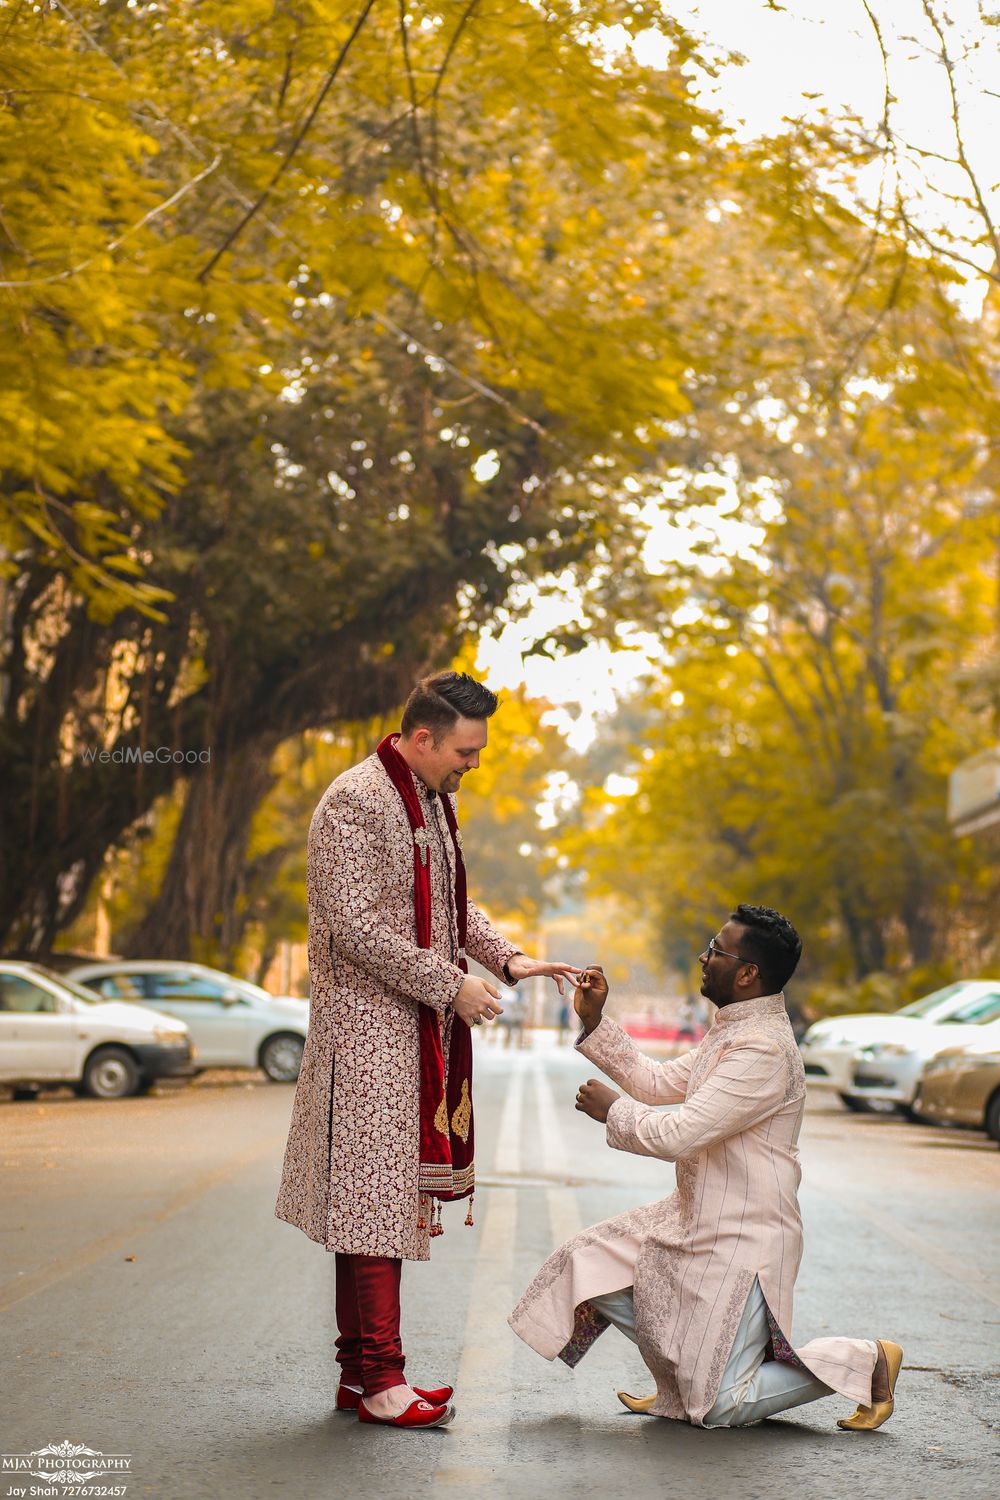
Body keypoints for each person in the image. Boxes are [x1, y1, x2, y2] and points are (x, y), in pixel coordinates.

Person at [275, 671, 579, 1429]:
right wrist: (451, 985)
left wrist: (508, 960)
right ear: (420, 739)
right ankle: (382, 1381)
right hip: (366, 1035)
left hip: (407, 1034)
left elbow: (449, 905)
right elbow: (354, 926)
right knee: (372, 1211)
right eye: (465, 750)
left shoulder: (430, 802)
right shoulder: (356, 801)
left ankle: (362, 1376)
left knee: (370, 1209)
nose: (473, 764)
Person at [509, 904, 903, 1431]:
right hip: (694, 1218)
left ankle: (864, 1361)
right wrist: (596, 1022)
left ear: (747, 974)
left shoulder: (762, 1048)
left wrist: (614, 1111)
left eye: (716, 951)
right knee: (590, 1263)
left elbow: (681, 1133)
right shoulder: (732, 1031)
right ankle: (681, 1382)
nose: (704, 957)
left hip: (741, 1238)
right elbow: (654, 1082)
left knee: (721, 1406)